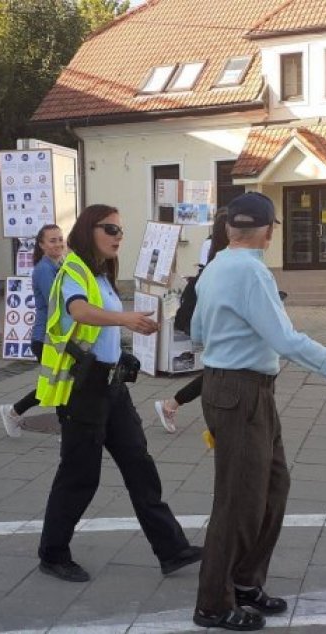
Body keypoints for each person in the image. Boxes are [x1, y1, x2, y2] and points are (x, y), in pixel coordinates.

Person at [190, 192, 326, 631]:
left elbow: (195, 331)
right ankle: (213, 602)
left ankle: (245, 582)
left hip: (236, 387)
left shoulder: (214, 268)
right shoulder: (251, 271)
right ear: (268, 231)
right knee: (239, 501)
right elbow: (284, 338)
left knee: (272, 486)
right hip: (240, 391)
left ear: (231, 228)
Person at [35, 204, 202, 583]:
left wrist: (125, 341)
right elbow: (78, 311)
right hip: (83, 392)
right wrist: (125, 319)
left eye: (121, 230)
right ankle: (53, 552)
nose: (118, 236)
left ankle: (171, 549)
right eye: (110, 228)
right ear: (88, 230)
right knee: (80, 477)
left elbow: (100, 327)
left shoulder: (100, 272)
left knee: (140, 467)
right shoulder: (74, 269)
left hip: (111, 388)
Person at [153, 211, 230, 432]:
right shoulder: (219, 258)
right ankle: (171, 404)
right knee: (219, 371)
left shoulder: (217, 252)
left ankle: (171, 404)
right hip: (208, 320)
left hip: (208, 320)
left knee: (218, 371)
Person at [0, 224, 64, 437]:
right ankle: (13, 411)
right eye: (52, 240)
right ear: (42, 245)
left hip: (55, 336)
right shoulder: (44, 269)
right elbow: (56, 303)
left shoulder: (59, 264)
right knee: (57, 384)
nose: (58, 244)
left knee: (59, 384)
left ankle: (14, 411)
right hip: (45, 337)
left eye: (60, 239)